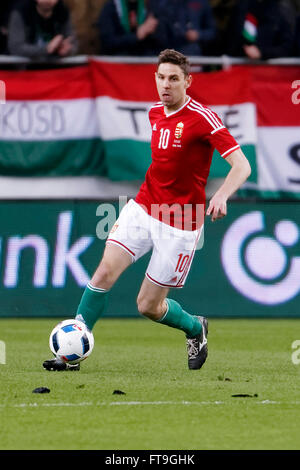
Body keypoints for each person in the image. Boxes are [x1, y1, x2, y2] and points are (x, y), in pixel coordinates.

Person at [43, 48, 251, 372]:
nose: (165, 85)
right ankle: (72, 353)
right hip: (143, 207)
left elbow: (241, 165)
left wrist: (222, 195)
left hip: (181, 222)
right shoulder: (154, 112)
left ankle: (195, 328)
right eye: (161, 78)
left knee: (148, 306)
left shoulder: (202, 118)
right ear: (155, 79)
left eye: (173, 79)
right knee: (103, 273)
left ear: (188, 81)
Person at [7, 0, 77, 60]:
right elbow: (16, 48)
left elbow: (72, 42)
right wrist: (46, 49)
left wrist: (68, 49)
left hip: (56, 69)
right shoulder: (21, 12)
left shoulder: (62, 12)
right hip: (26, 70)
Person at [226, 0, 295, 59]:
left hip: (269, 70)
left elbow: (287, 47)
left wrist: (262, 52)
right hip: (239, 68)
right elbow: (229, 41)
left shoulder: (280, 11)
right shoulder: (241, 8)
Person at [97, 0, 168, 56]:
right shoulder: (111, 7)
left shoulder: (149, 7)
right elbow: (108, 42)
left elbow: (163, 42)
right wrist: (136, 36)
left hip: (144, 63)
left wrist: (153, 31)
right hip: (118, 65)